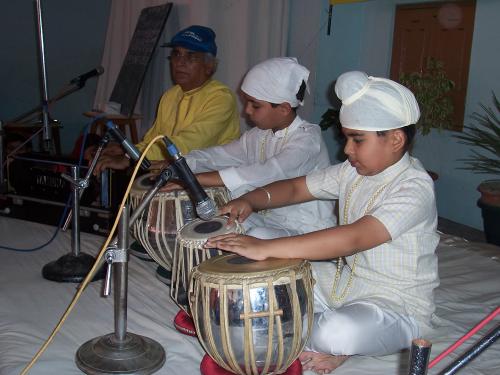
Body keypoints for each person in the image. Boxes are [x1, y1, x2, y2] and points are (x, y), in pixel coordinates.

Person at [206, 71, 440, 374]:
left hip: (397, 305)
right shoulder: (351, 172)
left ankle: (337, 343)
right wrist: (250, 200)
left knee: (335, 332)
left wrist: (265, 248)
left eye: (357, 140)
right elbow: (296, 188)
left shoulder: (415, 186)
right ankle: (308, 330)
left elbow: (354, 238)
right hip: (344, 283)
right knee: (264, 273)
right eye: (346, 138)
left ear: (395, 139)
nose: (347, 150)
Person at [165, 57, 336, 238]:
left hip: (307, 230)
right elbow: (219, 155)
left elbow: (267, 172)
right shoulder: (259, 135)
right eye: (247, 102)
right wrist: (181, 164)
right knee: (212, 220)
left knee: (254, 235)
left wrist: (193, 180)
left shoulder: (308, 140)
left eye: (255, 105)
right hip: (269, 220)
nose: (247, 110)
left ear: (284, 109)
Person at [90, 25, 240, 173]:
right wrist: (125, 149)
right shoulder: (170, 95)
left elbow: (188, 144)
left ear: (209, 66)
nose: (180, 62)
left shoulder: (221, 98)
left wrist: (130, 156)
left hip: (208, 185)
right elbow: (153, 139)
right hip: (171, 176)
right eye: (176, 54)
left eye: (191, 56)